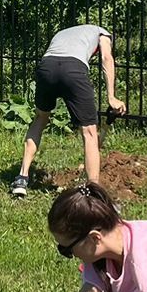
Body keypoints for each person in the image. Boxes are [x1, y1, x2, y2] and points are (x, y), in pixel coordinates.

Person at [10, 24, 125, 198]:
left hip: (46, 67)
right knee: (89, 132)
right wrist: (111, 97)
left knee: (40, 118)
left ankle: (22, 178)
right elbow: (107, 59)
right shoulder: (103, 34)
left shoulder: (64, 33)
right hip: (73, 69)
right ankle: (94, 192)